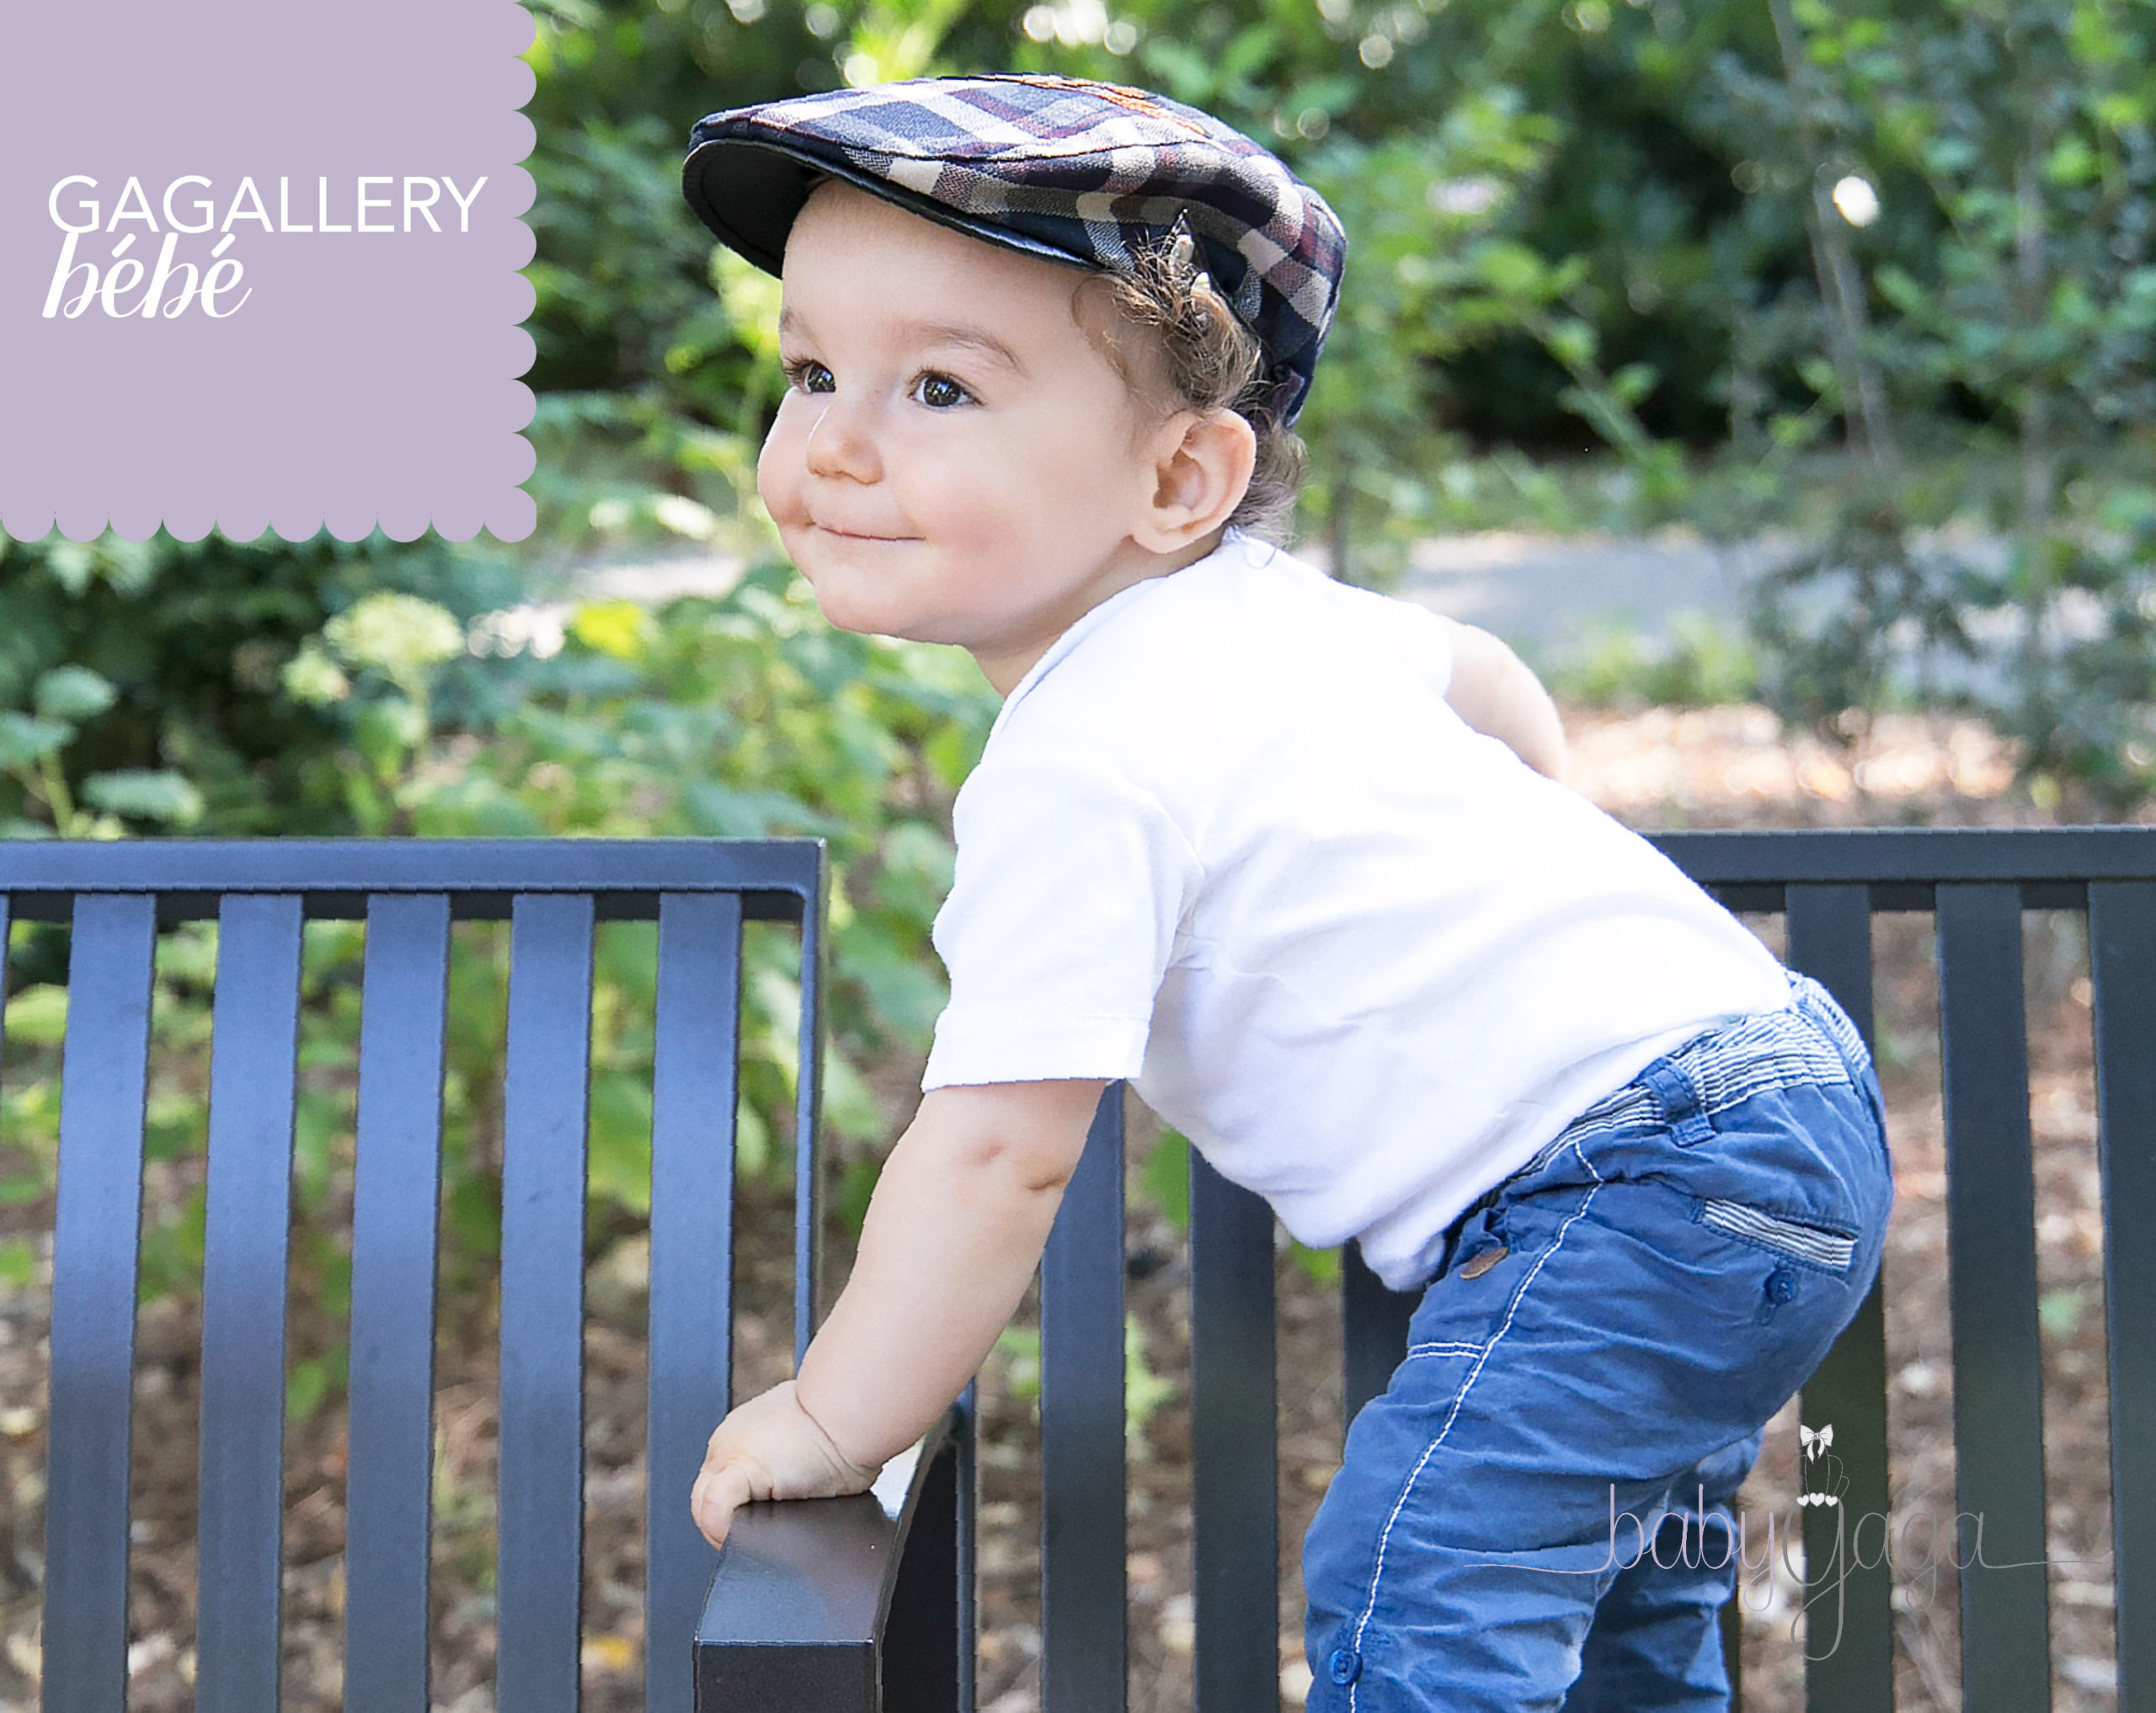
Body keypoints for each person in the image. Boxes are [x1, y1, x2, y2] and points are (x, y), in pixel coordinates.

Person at [679, 72, 1892, 1712]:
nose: (830, 438)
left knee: (1420, 1581)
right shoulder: (1269, 617)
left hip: (1633, 1182)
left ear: (1177, 481)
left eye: (940, 390)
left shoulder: (1081, 755)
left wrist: (836, 1417)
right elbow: (1487, 681)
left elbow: (994, 1152)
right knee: (1611, 1620)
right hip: (1762, 1105)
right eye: (812, 369)